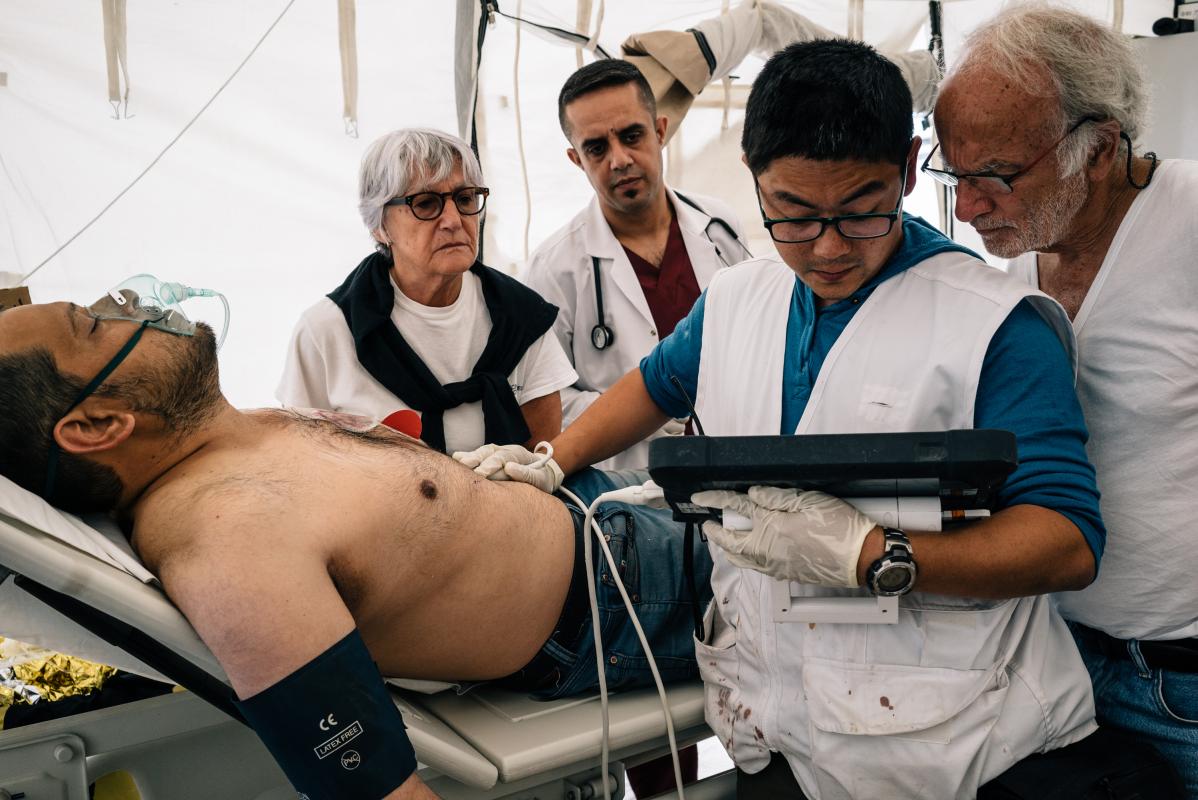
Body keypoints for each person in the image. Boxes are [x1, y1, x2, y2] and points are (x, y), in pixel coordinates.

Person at [455, 39, 1189, 800]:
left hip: (954, 751)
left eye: (863, 212)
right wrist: (552, 458)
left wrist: (874, 554)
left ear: (907, 171)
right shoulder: (741, 299)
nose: (830, 248)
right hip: (780, 734)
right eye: (795, 216)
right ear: (756, 183)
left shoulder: (997, 325)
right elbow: (656, 382)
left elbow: (1067, 542)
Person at [0, 292, 711, 800]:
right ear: (95, 426)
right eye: (93, 322)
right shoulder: (226, 547)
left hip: (596, 510)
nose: (125, 299)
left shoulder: (224, 436)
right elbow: (376, 788)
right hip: (623, 602)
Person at [931, 5, 1198, 795]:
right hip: (1057, 669)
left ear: (1102, 147)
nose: (969, 207)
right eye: (956, 175)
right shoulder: (1005, 276)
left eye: (998, 177)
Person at [278, 127, 577, 454]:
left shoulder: (522, 319)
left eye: (465, 199)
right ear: (380, 226)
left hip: (505, 504)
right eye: (425, 203)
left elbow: (542, 463)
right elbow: (299, 460)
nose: (452, 220)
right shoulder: (328, 331)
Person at [522, 59, 750, 470]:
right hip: (625, 490)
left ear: (660, 131)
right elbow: (547, 403)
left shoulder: (720, 228)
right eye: (597, 148)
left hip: (732, 466)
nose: (620, 159)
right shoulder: (552, 270)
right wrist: (649, 411)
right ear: (576, 159)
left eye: (632, 136)